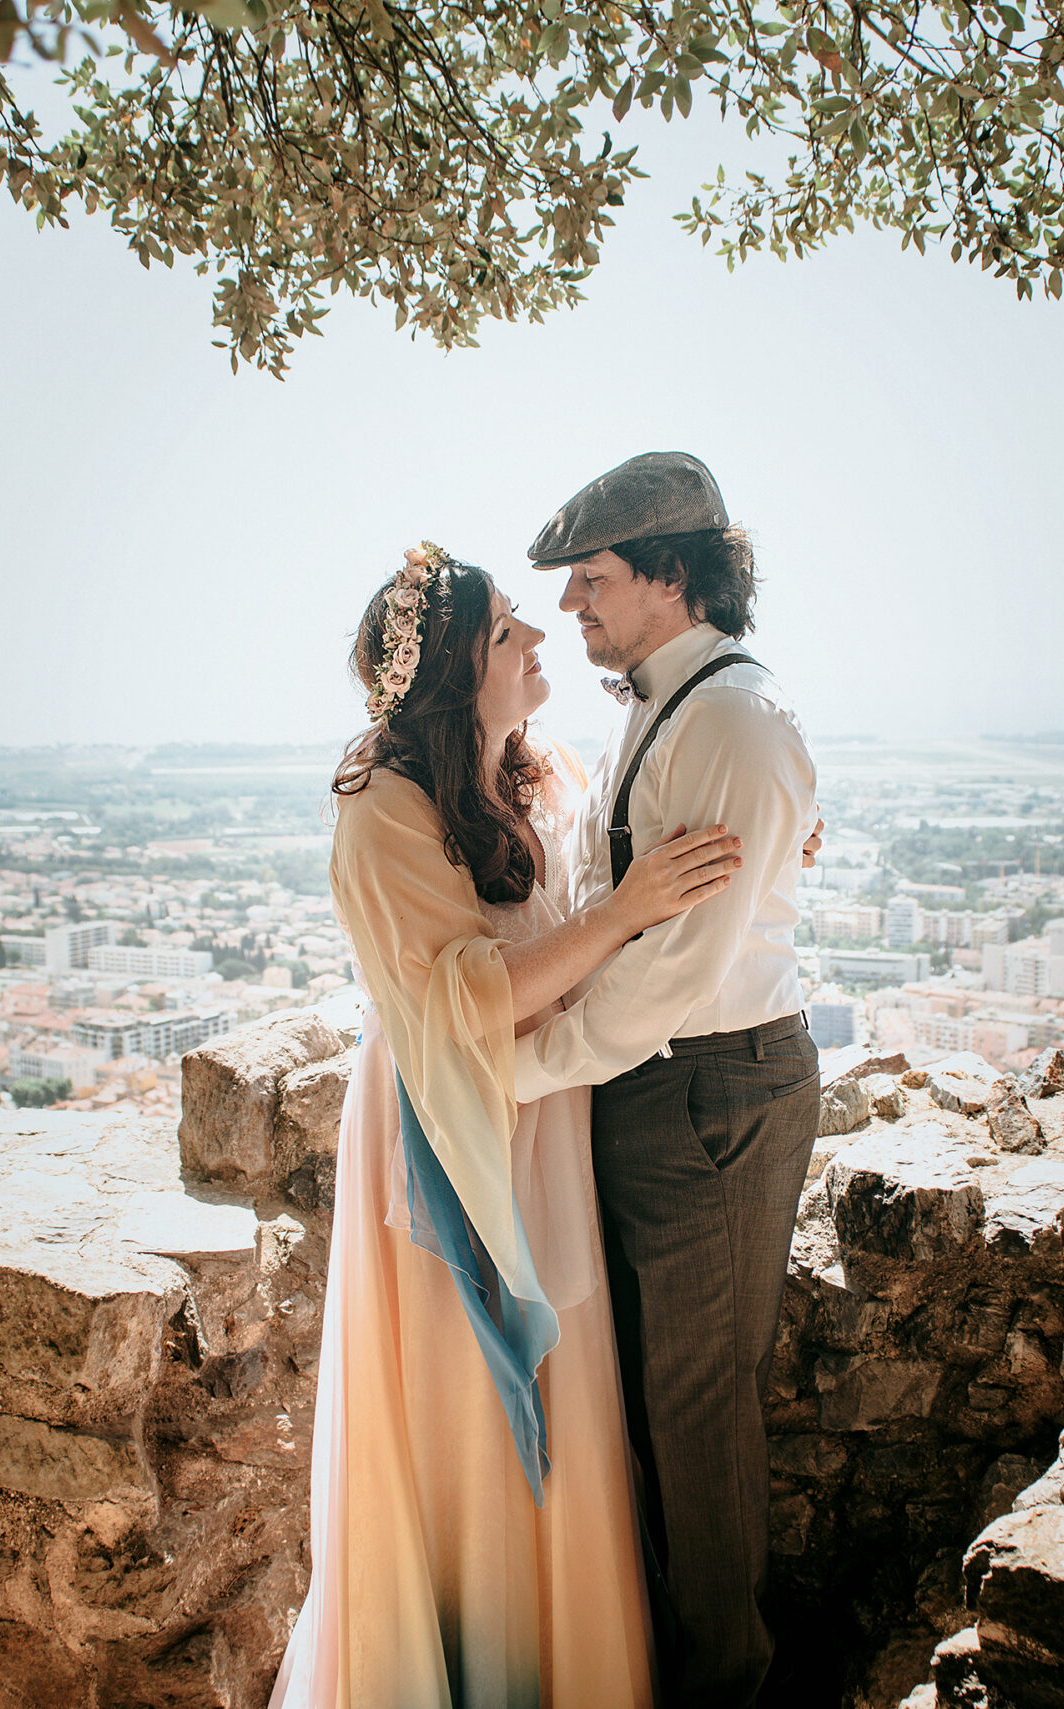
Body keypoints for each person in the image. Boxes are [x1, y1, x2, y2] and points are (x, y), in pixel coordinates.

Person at [272, 541, 749, 1709]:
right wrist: (632, 908)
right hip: (450, 1132)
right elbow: (456, 992)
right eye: (504, 634)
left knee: (568, 1409)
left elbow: (628, 862)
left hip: (549, 1119)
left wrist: (765, 835)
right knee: (465, 1421)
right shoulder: (383, 805)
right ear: (448, 674)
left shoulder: (542, 772)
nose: (540, 639)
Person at [517, 453, 822, 1709]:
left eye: (593, 579)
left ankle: (727, 1686)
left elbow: (675, 975)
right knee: (644, 1405)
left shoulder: (734, 722)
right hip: (656, 1085)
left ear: (672, 574)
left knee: (695, 1415)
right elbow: (614, 908)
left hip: (707, 1089)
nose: (572, 606)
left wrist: (527, 1059)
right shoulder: (657, 707)